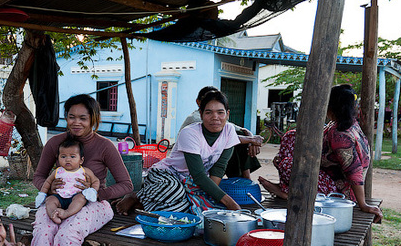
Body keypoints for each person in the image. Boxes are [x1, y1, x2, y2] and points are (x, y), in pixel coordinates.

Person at [31, 94, 132, 246]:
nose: (76, 123)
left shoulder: (105, 146)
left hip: (95, 206)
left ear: (93, 120)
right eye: (71, 117)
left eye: (83, 118)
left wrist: (94, 194)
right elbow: (38, 177)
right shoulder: (56, 144)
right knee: (43, 232)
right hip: (58, 201)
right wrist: (49, 187)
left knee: (67, 234)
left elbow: (126, 184)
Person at [258, 84, 383, 223]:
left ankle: (287, 194)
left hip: (340, 193)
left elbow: (354, 172)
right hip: (330, 173)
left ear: (332, 107)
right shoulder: (346, 122)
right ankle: (286, 187)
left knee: (288, 164)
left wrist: (363, 204)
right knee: (291, 136)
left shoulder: (341, 136)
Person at [117, 89, 242, 216]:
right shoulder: (190, 133)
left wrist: (209, 196)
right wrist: (231, 204)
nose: (215, 117)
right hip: (167, 175)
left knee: (186, 209)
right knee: (174, 191)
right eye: (208, 112)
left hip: (192, 182)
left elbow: (219, 168)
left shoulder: (229, 131)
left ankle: (143, 204)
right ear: (201, 113)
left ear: (227, 114)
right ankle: (137, 196)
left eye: (220, 112)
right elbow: (198, 174)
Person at [179, 86, 263, 179]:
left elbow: (240, 130)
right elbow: (225, 137)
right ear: (198, 102)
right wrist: (251, 140)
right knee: (233, 143)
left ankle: (244, 179)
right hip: (193, 157)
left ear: (227, 113)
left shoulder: (222, 120)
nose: (215, 117)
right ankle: (239, 178)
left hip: (211, 153)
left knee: (237, 140)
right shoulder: (196, 118)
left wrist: (251, 139)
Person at [35, 136, 101, 225]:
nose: (68, 159)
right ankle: (53, 214)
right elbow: (47, 182)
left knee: (81, 199)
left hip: (76, 195)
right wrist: (42, 193)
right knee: (50, 200)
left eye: (72, 156)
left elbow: (96, 181)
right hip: (59, 196)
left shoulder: (85, 171)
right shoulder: (57, 171)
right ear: (58, 158)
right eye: (63, 156)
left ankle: (67, 213)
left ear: (81, 160)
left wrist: (92, 191)